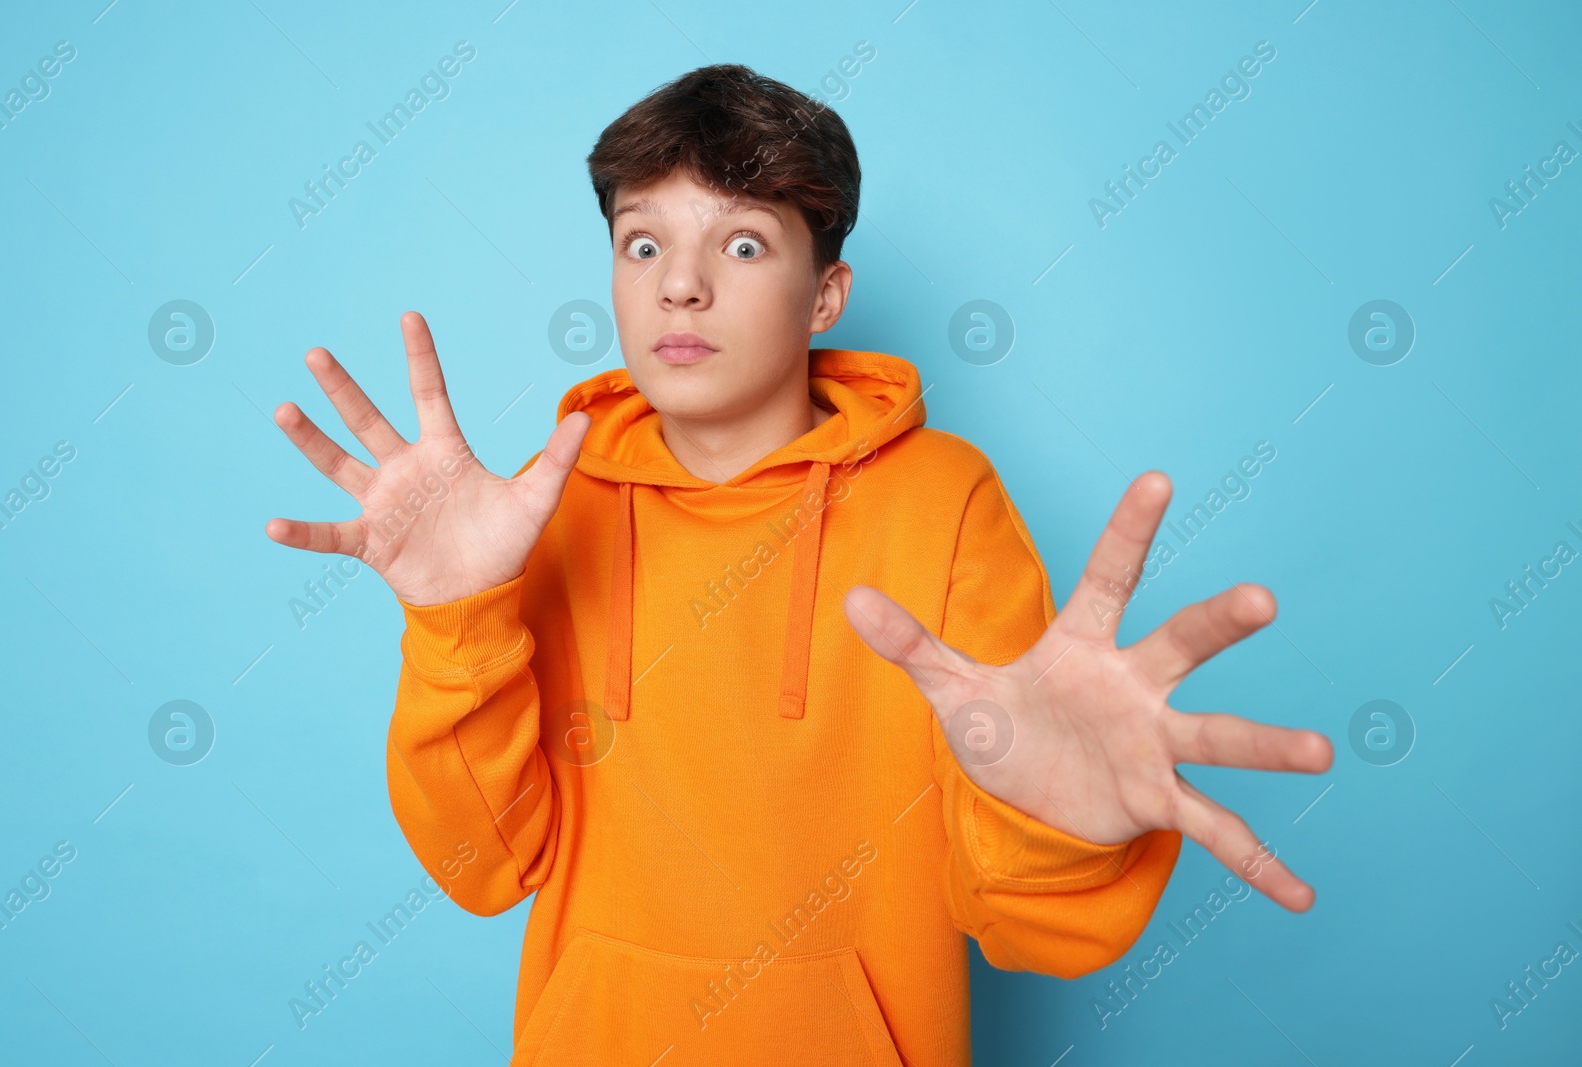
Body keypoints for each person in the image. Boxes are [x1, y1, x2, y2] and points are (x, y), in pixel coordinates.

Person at [265, 63, 1332, 1066]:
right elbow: (481, 868)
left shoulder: (945, 501)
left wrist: (1050, 819)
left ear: (825, 296)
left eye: (740, 245)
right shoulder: (536, 513)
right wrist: (458, 617)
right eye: (642, 245)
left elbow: (1026, 924)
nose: (679, 286)